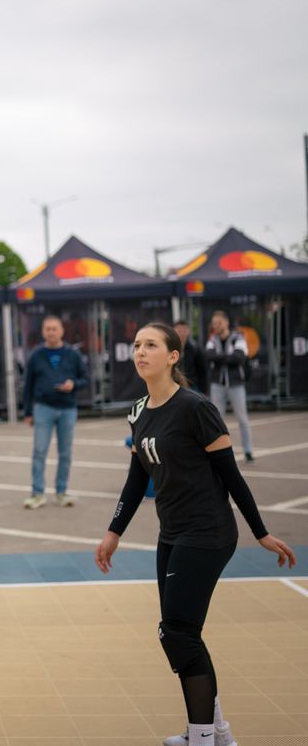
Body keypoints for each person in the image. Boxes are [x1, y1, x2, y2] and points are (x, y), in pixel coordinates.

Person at [96, 322, 295, 746]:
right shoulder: (138, 412)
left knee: (176, 631)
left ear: (173, 356)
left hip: (207, 532)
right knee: (183, 632)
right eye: (136, 345)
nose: (140, 352)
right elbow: (136, 479)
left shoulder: (196, 408)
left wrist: (259, 532)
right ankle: (216, 730)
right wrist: (114, 532)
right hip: (172, 533)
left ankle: (203, 736)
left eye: (151, 345)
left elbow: (232, 477)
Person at [22, 315, 88, 509]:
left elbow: (86, 379)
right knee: (39, 451)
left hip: (68, 408)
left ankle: (61, 492)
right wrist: (27, 412)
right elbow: (28, 386)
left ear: (62, 330)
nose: (51, 332)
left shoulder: (73, 354)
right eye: (47, 329)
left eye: (54, 328)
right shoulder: (36, 355)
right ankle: (37, 493)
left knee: (65, 453)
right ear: (43, 332)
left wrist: (73, 384)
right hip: (43, 408)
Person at [204, 310, 253, 463]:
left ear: (226, 323)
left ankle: (248, 452)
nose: (216, 326)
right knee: (217, 420)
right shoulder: (212, 339)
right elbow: (209, 356)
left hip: (236, 384)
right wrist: (227, 357)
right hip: (217, 384)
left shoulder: (238, 337)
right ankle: (219, 453)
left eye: (219, 323)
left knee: (242, 418)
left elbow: (238, 358)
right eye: (214, 324)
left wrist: (220, 358)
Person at [174, 321, 209, 393]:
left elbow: (202, 370)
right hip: (174, 385)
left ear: (188, 331)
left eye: (184, 330)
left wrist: (203, 390)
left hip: (192, 386)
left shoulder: (195, 349)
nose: (181, 333)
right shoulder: (169, 348)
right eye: (179, 330)